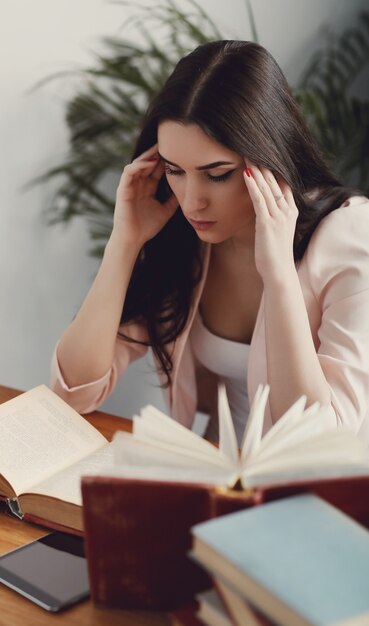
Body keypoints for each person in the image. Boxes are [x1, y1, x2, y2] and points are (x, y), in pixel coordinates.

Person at [51, 40, 369, 446]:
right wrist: (125, 240)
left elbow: (319, 445)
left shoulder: (350, 234)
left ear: (267, 159)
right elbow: (74, 390)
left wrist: (279, 276)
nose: (191, 200)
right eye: (174, 170)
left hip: (325, 498)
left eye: (216, 174)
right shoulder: (182, 235)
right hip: (220, 478)